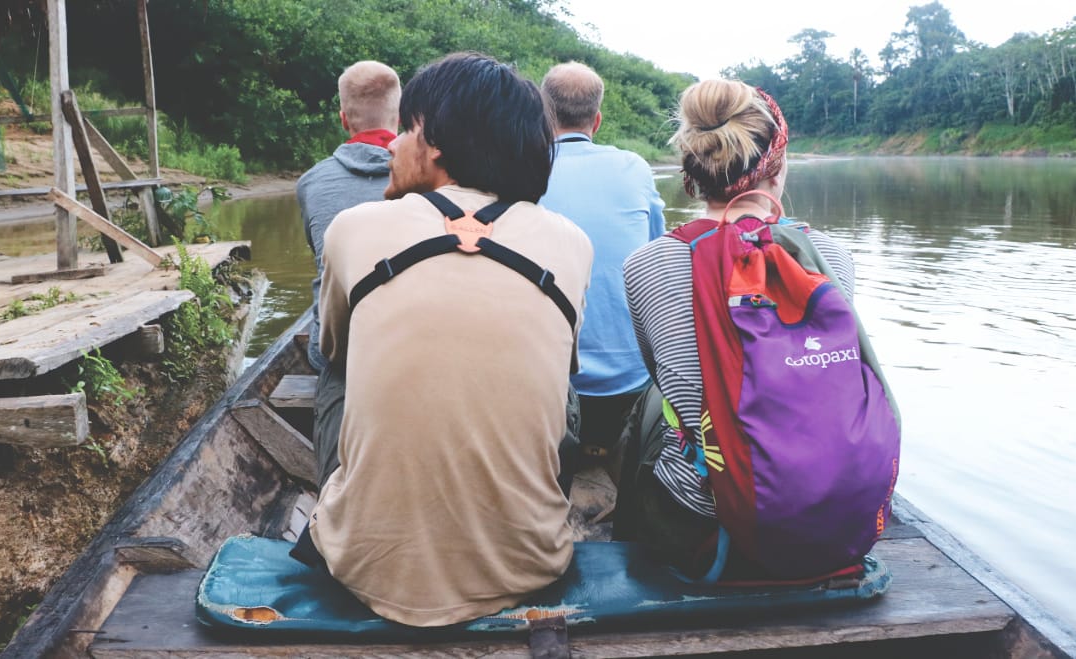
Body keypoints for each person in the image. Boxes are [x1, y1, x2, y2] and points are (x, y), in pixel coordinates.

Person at [309, 53, 594, 627]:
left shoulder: (354, 227)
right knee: (565, 387)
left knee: (333, 367)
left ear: (434, 142)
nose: (389, 147)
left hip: (362, 569)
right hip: (531, 565)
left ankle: (353, 509)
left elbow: (335, 351)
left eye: (405, 130)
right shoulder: (572, 242)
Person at [617, 79, 860, 577]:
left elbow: (664, 377)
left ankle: (631, 545)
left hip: (699, 524)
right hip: (822, 510)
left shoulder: (647, 263)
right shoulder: (832, 257)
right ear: (778, 165)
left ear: (692, 169)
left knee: (651, 409)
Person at [538, 61, 665, 460]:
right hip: (629, 385)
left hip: (554, 385)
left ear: (544, 113)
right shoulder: (633, 167)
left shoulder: (525, 168)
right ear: (598, 119)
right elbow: (653, 252)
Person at [297, 60, 400, 375]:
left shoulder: (310, 182)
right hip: (405, 343)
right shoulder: (428, 180)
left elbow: (320, 255)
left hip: (333, 351)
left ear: (343, 120)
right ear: (400, 116)